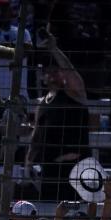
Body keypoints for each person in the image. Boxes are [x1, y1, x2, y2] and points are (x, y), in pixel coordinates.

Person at [26, 42, 90, 203]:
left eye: (57, 70)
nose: (53, 73)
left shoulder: (74, 93)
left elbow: (71, 72)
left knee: (78, 216)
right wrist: (28, 161)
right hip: (50, 170)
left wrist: (53, 48)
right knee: (51, 216)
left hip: (75, 167)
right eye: (48, 70)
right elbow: (35, 136)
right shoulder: (42, 104)